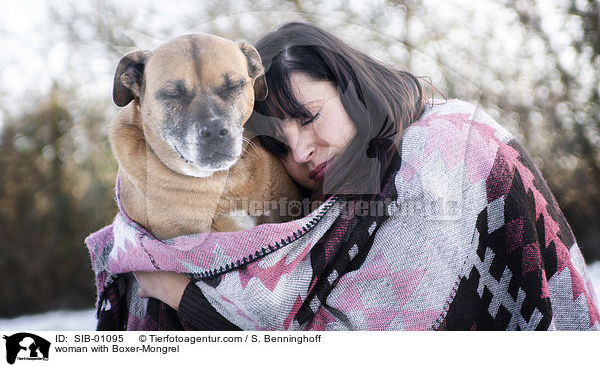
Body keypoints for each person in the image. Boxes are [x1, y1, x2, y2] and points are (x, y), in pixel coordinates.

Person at [91, 21, 599, 330]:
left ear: (351, 85)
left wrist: (178, 291)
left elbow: (358, 338)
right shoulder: (347, 192)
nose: (301, 150)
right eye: (276, 142)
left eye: (309, 118)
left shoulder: (441, 153)